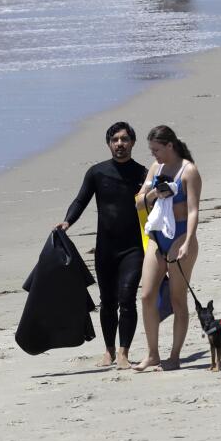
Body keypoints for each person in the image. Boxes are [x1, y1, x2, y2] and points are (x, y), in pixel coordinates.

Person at [56, 122, 148, 369]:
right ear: (109, 143)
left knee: (127, 298)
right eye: (115, 139)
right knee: (108, 302)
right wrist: (67, 222)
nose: (120, 144)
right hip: (105, 249)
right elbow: (80, 200)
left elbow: (155, 207)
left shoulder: (142, 173)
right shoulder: (97, 173)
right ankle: (108, 350)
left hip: (133, 248)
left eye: (125, 139)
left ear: (132, 142)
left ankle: (123, 352)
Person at [134, 125, 201, 372]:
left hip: (181, 237)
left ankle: (174, 356)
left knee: (177, 299)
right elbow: (140, 201)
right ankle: (152, 353)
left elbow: (193, 209)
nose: (155, 155)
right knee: (147, 295)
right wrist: (153, 194)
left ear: (170, 146)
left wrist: (188, 240)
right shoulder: (156, 169)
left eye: (157, 150)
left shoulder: (188, 171)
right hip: (157, 236)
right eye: (152, 151)